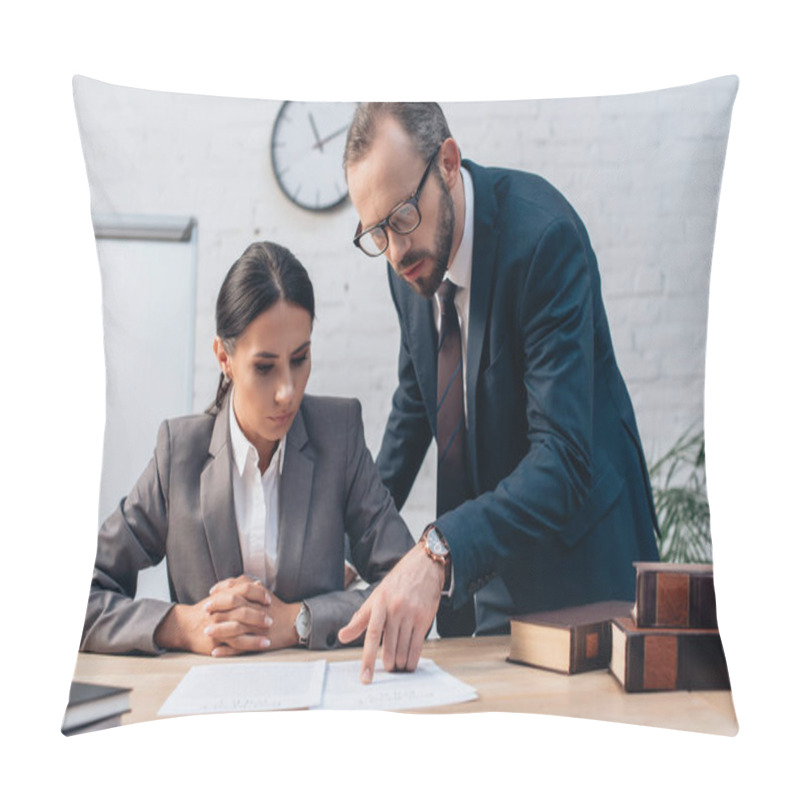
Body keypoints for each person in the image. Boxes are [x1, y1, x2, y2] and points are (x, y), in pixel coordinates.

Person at [338, 103, 660, 683]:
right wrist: (342, 543)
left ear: (449, 162)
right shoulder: (406, 262)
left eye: (403, 218)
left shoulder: (543, 239)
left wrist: (438, 549)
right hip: (485, 571)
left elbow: (561, 461)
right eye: (375, 232)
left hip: (582, 572)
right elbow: (416, 406)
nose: (394, 251)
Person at [81, 241, 414, 656]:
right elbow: (80, 596)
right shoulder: (178, 455)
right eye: (264, 367)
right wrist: (182, 626)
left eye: (300, 358)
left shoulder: (339, 435)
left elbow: (407, 586)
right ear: (224, 356)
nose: (287, 392)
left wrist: (298, 621)